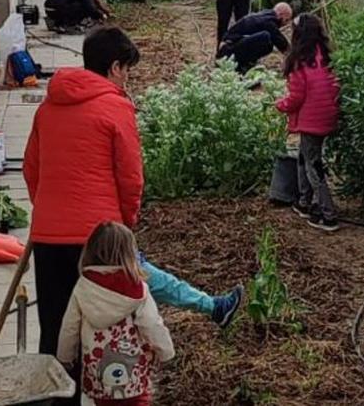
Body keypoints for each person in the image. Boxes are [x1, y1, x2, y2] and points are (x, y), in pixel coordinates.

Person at [24, 27, 244, 360]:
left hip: (48, 234)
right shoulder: (115, 107)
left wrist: (47, 212)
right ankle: (211, 307)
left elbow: (31, 169)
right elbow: (130, 177)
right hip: (98, 235)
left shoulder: (47, 107)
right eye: (127, 70)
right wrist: (124, 225)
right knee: (127, 296)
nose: (127, 78)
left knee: (55, 324)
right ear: (115, 67)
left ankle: (54, 393)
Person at [57, 222, 174, 406]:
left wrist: (65, 357)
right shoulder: (137, 288)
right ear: (129, 253)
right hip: (134, 374)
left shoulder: (84, 287)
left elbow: (69, 327)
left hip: (98, 376)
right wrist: (166, 351)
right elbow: (152, 324)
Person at [275, 13, 341, 232]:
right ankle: (304, 202)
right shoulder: (326, 56)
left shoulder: (299, 62)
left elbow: (296, 97)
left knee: (314, 166)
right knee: (305, 156)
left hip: (312, 120)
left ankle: (328, 214)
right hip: (327, 116)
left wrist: (280, 105)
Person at [216, 3, 292, 74]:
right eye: (286, 20)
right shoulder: (268, 22)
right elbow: (281, 43)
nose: (285, 23)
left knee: (268, 42)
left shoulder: (265, 16)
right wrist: (293, 55)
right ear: (280, 14)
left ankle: (245, 63)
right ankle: (241, 66)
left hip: (230, 47)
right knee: (265, 38)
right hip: (228, 52)